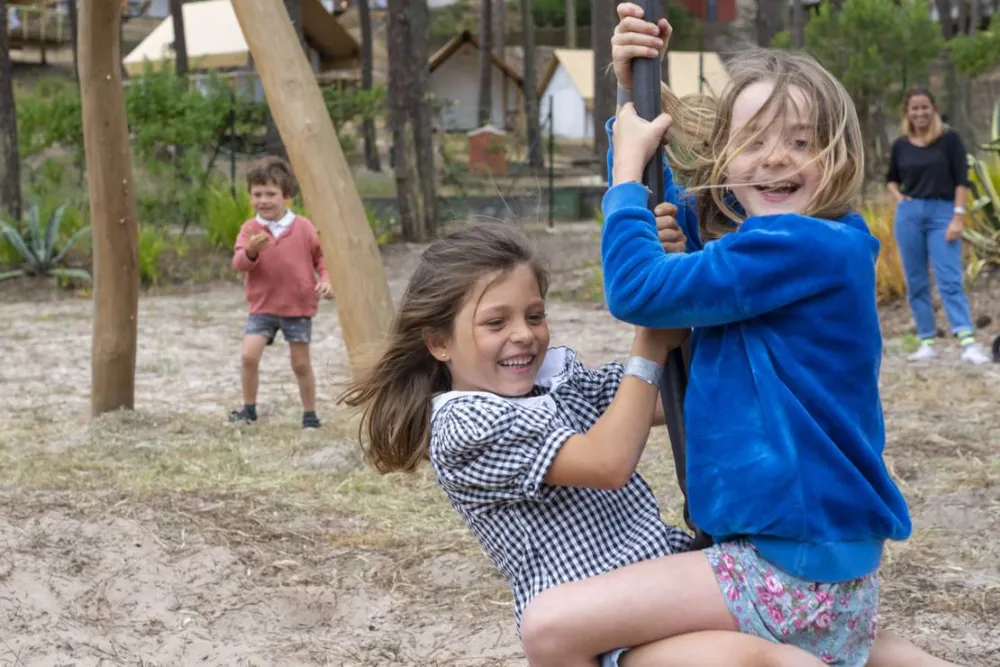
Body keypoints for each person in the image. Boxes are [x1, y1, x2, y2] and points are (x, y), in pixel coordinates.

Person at [515, 6, 958, 667]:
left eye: (803, 142)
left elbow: (637, 290)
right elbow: (676, 227)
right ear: (723, 157)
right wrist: (630, 89)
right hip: (811, 564)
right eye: (753, 141)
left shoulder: (801, 245)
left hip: (785, 567)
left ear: (840, 154)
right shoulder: (776, 249)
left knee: (550, 628)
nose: (777, 155)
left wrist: (623, 176)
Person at [339, 223, 959, 667]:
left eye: (534, 314)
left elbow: (674, 395)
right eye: (495, 322)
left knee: (833, 638)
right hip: (609, 629)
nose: (523, 336)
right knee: (758, 657)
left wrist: (682, 280)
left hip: (668, 579)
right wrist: (648, 343)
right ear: (438, 343)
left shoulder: (560, 383)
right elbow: (609, 460)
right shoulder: (465, 425)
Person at [886, 87, 990, 364]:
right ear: (907, 112)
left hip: (943, 212)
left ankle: (967, 341)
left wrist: (958, 215)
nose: (920, 113)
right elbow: (891, 179)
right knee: (916, 281)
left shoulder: (949, 140)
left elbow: (961, 179)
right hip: (909, 215)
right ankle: (926, 341)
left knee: (949, 279)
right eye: (914, 108)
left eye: (924, 107)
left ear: (933, 108)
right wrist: (900, 199)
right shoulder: (901, 145)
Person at [230, 156, 332, 428]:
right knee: (249, 356)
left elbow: (322, 258)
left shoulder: (304, 228)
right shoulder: (250, 229)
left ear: (286, 196)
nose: (263, 200)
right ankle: (249, 409)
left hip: (297, 306)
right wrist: (251, 251)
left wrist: (326, 280)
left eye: (270, 194)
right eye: (257, 194)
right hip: (262, 306)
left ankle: (310, 414)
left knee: (300, 364)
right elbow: (238, 264)